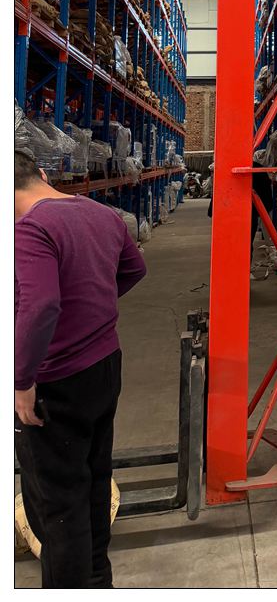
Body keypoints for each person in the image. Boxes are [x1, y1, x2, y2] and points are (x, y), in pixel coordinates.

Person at [14, 148, 147, 589]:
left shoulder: (29, 229)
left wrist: (21, 380)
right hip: (104, 366)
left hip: (56, 380)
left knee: (58, 506)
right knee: (94, 481)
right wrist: (92, 306)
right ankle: (97, 582)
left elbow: (40, 306)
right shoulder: (100, 214)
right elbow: (134, 269)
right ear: (41, 173)